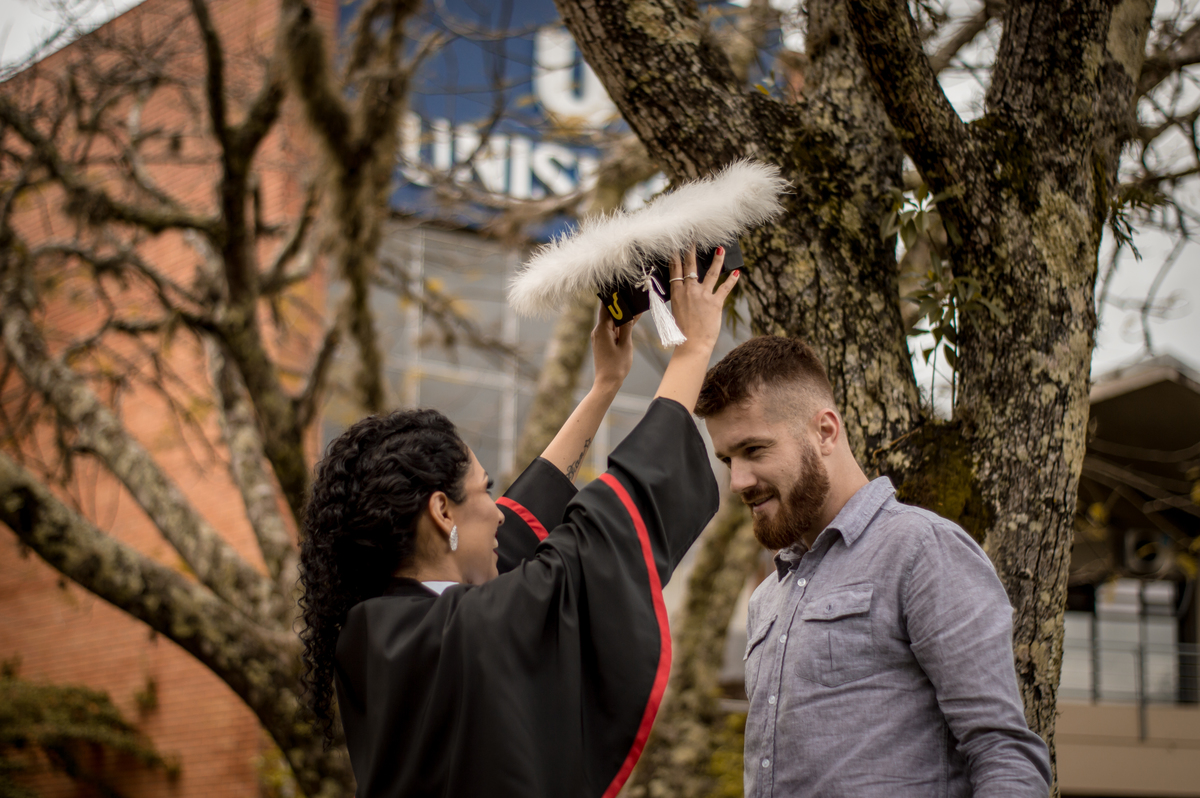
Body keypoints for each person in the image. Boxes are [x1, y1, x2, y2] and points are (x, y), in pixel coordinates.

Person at [298, 249, 740, 797]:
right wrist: (692, 352)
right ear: (441, 513)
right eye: (485, 490)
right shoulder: (465, 628)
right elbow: (597, 542)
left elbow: (518, 531)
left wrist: (605, 387)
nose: (499, 508)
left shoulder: (376, 632)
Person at [695, 335, 1052, 798]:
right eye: (728, 459)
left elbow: (1004, 757)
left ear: (825, 432)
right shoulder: (768, 598)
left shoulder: (922, 550)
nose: (738, 480)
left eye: (755, 450)